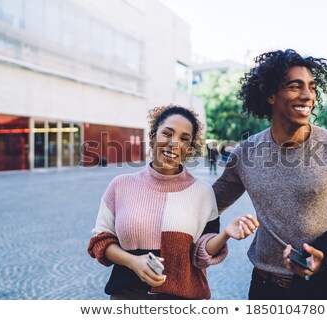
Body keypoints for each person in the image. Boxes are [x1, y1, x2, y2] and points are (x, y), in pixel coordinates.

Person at [213, 49, 327, 299]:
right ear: (270, 95)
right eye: (295, 86)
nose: (307, 95)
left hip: (324, 286)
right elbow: (208, 203)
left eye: (311, 87)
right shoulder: (245, 153)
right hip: (263, 287)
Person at [88, 104, 259, 300]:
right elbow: (100, 241)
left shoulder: (201, 192)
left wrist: (225, 235)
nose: (174, 143)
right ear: (153, 136)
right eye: (167, 134)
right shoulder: (120, 185)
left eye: (184, 139)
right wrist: (133, 262)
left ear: (190, 148)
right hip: (126, 296)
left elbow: (201, 253)